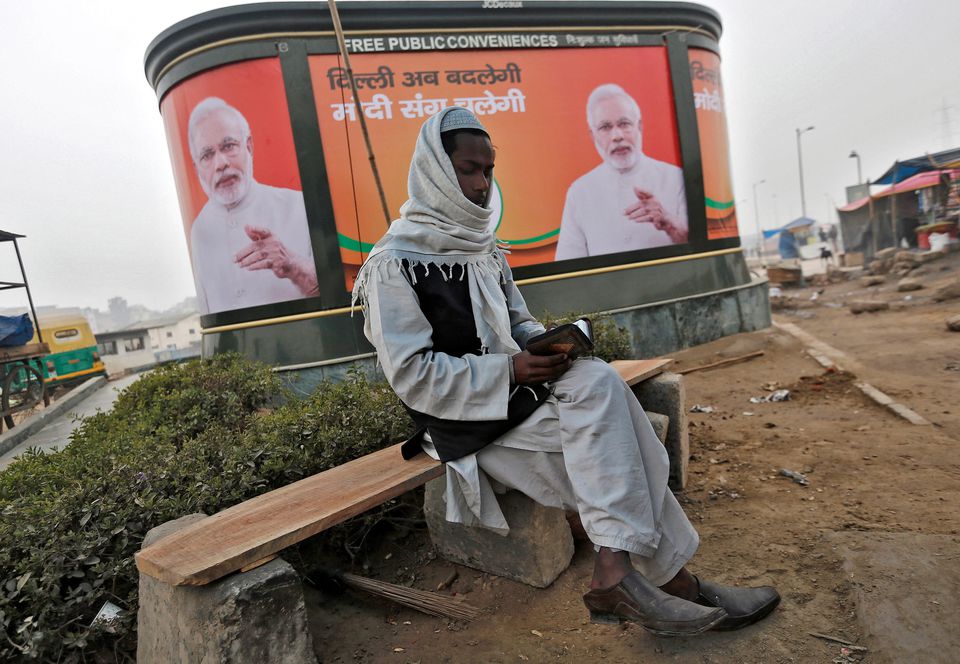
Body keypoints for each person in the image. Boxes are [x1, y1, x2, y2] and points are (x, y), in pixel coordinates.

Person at [353, 107, 779, 637]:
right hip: (465, 422)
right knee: (623, 445)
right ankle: (672, 583)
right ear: (436, 170)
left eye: (489, 170)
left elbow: (518, 321)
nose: (482, 184)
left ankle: (621, 573)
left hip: (520, 399)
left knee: (602, 385)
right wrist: (510, 369)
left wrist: (546, 345)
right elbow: (413, 377)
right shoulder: (394, 263)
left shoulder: (484, 247)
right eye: (468, 169)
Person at [187, 97, 319, 314]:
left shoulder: (298, 206)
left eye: (228, 146)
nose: (221, 164)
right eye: (207, 155)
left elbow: (343, 296)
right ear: (197, 168)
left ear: (248, 146)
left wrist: (293, 265)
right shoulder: (199, 230)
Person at [555, 84, 688, 261]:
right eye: (605, 127)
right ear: (593, 135)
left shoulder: (676, 178)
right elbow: (567, 265)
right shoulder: (579, 192)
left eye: (624, 124)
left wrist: (670, 223)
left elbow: (701, 251)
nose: (617, 136)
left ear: (639, 127)